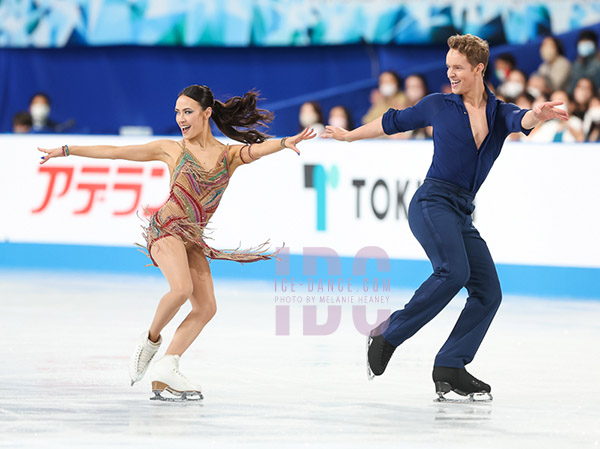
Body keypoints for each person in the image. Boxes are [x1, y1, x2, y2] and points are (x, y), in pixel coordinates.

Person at [323, 34, 567, 401]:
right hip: (432, 202)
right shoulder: (439, 104)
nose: (450, 74)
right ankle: (388, 334)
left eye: (457, 68)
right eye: (448, 67)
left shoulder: (498, 113)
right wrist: (349, 137)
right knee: (454, 272)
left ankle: (451, 365)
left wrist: (539, 115)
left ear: (478, 69)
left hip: (462, 211)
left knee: (488, 292)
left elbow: (522, 119)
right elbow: (393, 121)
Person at [38, 85, 316, 401]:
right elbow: (117, 152)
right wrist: (66, 150)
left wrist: (284, 142)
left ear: (206, 113)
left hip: (192, 238)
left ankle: (167, 366)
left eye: (187, 112)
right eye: (177, 112)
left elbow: (257, 149)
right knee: (181, 289)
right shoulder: (172, 150)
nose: (180, 118)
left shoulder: (229, 156)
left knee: (207, 307)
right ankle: (150, 341)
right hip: (165, 228)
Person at [569, 30, 600, 94]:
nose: (584, 44)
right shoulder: (575, 66)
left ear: (595, 45)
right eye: (582, 42)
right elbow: (571, 90)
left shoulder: (598, 64)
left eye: (587, 42)